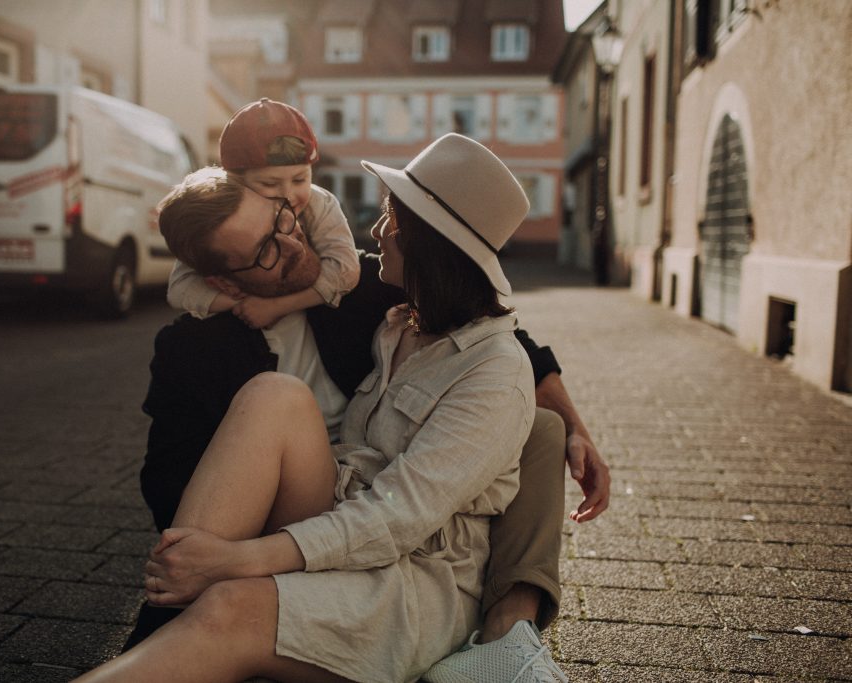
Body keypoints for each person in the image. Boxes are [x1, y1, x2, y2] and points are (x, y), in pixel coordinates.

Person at [84, 134, 607, 683]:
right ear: (219, 280)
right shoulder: (394, 321)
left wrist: (577, 427)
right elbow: (167, 478)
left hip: (409, 562)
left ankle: (506, 631)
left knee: (231, 603)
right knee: (275, 394)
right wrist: (216, 551)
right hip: (304, 507)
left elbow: (504, 349)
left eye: (284, 222)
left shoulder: (371, 295)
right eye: (264, 250)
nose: (290, 244)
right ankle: (169, 630)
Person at [167, 97, 360, 331]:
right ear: (236, 183)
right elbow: (179, 289)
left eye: (300, 179)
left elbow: (346, 269)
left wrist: (276, 306)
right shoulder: (219, 225)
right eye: (269, 183)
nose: (288, 195)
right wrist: (241, 303)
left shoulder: (320, 202)